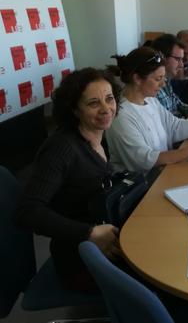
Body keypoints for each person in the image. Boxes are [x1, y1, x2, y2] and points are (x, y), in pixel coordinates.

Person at [13, 68, 122, 290]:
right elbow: (27, 212)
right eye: (93, 103)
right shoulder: (62, 148)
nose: (105, 109)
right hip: (80, 258)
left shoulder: (97, 136)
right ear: (74, 109)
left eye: (109, 99)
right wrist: (89, 233)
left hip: (104, 243)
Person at [106, 47, 188, 173]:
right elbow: (145, 160)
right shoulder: (121, 116)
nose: (163, 84)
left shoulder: (150, 100)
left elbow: (173, 126)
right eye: (158, 79)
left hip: (163, 171)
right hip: (143, 185)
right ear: (137, 78)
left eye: (163, 78)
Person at [150, 34, 188, 119]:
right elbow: (165, 125)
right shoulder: (151, 88)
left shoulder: (167, 79)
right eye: (178, 59)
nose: (182, 64)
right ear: (162, 57)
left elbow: (178, 105)